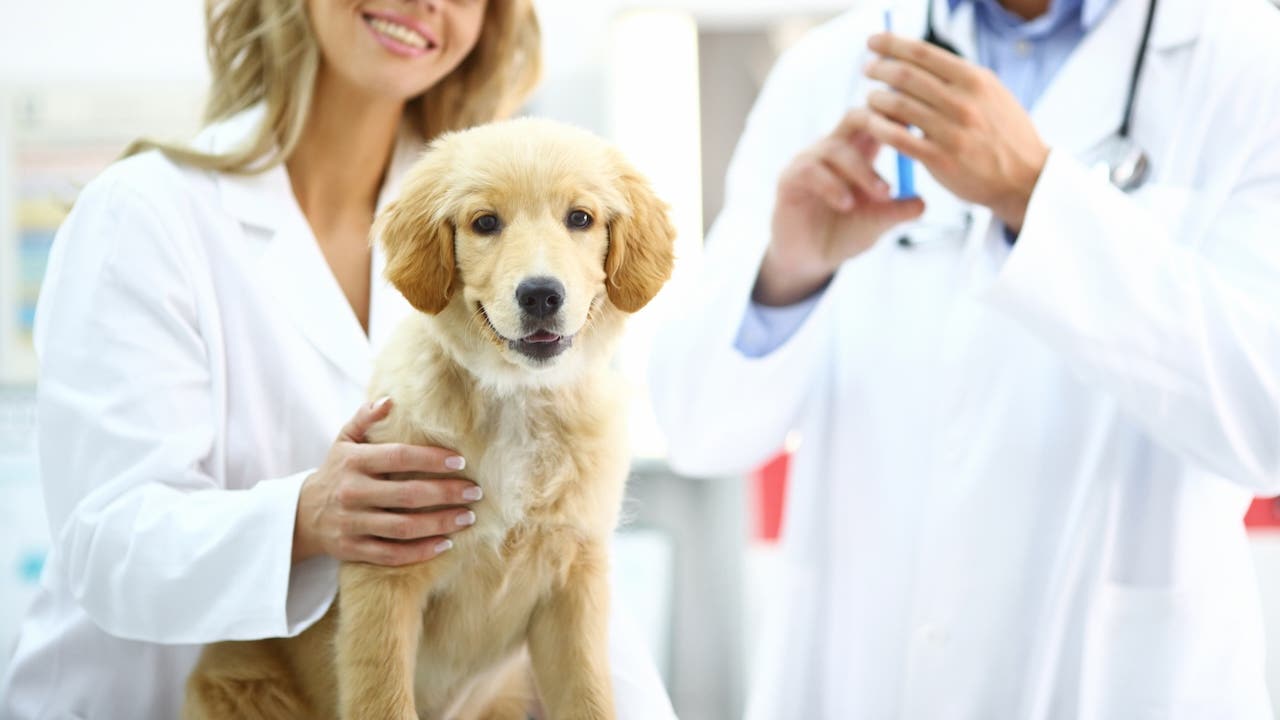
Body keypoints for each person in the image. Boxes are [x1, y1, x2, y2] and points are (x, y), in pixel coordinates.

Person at [0, 1, 676, 718]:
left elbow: (565, 569)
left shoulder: (475, 209)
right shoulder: (142, 214)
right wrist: (306, 517)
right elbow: (105, 551)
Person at [650, 0, 1280, 716]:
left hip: (1118, 679)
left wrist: (1035, 196)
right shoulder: (832, 69)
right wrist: (787, 276)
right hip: (860, 675)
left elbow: (1267, 421)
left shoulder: (1252, 66)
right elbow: (698, 427)